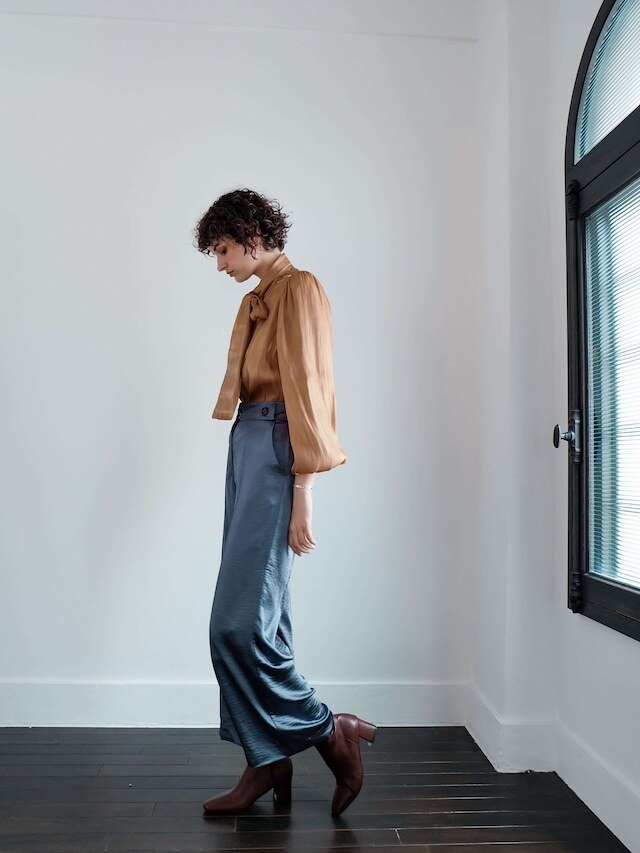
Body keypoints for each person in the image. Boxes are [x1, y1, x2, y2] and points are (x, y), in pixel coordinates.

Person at [193, 188, 376, 817]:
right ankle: (266, 758)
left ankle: (329, 730)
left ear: (251, 235)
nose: (221, 264)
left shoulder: (299, 290)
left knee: (235, 624)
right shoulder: (257, 299)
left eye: (223, 250)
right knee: (264, 622)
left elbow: (310, 388)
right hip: (249, 442)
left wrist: (304, 488)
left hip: (278, 445)